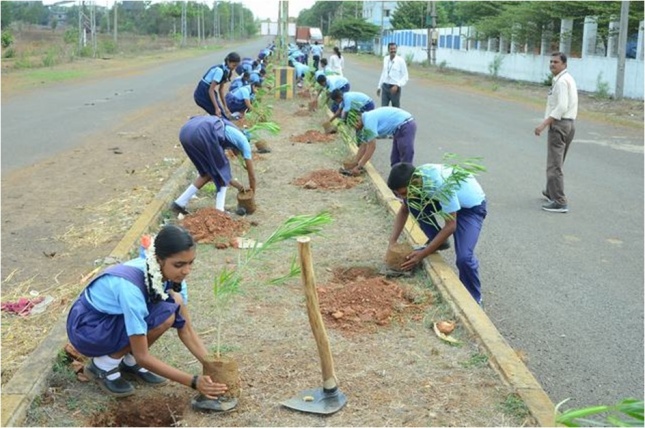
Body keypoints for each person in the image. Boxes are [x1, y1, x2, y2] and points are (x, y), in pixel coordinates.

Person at [66, 224, 229, 398]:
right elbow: (143, 355)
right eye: (179, 264)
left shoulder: (174, 277)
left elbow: (186, 329)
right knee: (165, 313)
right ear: (159, 259)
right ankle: (103, 366)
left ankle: (129, 362)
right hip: (88, 329)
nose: (186, 270)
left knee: (172, 307)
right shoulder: (131, 288)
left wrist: (213, 367)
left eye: (191, 263)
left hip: (111, 320)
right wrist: (194, 381)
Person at [387, 162, 487, 305]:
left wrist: (423, 254)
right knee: (411, 203)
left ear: (415, 181)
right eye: (398, 194)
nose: (402, 196)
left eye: (403, 193)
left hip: (470, 209)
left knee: (464, 258)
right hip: (450, 199)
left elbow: (451, 226)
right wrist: (392, 242)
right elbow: (404, 210)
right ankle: (438, 240)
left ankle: (475, 299)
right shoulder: (415, 178)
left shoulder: (440, 185)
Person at [171, 116, 256, 215]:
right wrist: (251, 196)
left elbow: (217, 171)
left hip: (185, 133)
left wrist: (239, 187)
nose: (237, 155)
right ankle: (219, 211)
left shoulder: (228, 130)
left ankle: (179, 203)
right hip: (203, 133)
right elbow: (252, 176)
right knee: (223, 168)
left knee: (208, 172)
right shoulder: (244, 142)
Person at [534, 52, 578, 213]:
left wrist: (543, 124)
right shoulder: (566, 79)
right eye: (551, 62)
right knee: (557, 162)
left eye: (556, 62)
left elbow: (561, 107)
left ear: (564, 64)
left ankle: (559, 201)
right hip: (569, 124)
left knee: (554, 165)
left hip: (560, 124)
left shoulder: (561, 82)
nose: (552, 64)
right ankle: (550, 191)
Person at [346, 107, 416, 175]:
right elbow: (363, 146)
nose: (356, 127)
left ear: (358, 119)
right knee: (395, 159)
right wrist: (355, 162)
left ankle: (407, 178)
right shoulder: (366, 123)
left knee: (406, 154)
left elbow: (372, 147)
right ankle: (398, 178)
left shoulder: (368, 121)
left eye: (355, 124)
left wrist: (359, 166)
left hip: (405, 124)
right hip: (397, 129)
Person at [193, 52, 241, 118]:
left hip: (208, 90)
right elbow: (211, 90)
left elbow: (221, 90)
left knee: (220, 113)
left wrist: (225, 107)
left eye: (236, 66)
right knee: (218, 114)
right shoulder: (220, 71)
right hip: (202, 92)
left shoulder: (226, 71)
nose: (234, 68)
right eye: (233, 65)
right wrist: (216, 108)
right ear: (228, 61)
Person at [377, 42, 408, 107]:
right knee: (383, 109)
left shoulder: (400, 61)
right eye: (391, 49)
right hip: (385, 87)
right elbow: (383, 73)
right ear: (388, 50)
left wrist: (397, 85)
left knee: (395, 110)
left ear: (396, 49)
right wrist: (379, 86)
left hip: (395, 88)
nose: (393, 50)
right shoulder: (385, 59)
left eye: (394, 49)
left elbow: (405, 76)